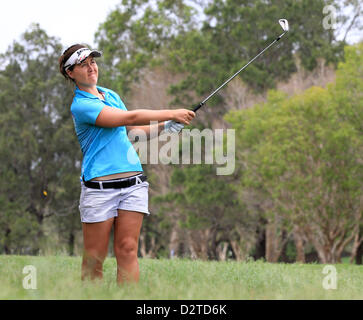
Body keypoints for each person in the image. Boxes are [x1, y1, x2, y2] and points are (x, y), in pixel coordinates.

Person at [58, 44, 195, 284]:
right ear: (70, 73)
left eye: (93, 62)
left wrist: (165, 127)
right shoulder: (81, 106)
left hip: (133, 185)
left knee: (128, 250)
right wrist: (171, 113)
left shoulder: (110, 95)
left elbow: (132, 131)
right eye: (83, 64)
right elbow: (127, 117)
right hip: (99, 189)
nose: (91, 67)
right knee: (94, 260)